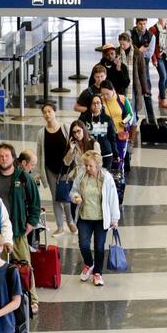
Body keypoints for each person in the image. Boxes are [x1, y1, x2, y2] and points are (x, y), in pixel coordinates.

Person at [0, 142, 41, 316]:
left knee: (25, 265)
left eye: (7, 156)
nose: (4, 159)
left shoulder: (24, 178)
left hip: (18, 232)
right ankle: (2, 299)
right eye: (1, 156)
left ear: (13, 158)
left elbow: (35, 203)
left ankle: (33, 298)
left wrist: (31, 224)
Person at [70, 151, 121, 287]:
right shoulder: (81, 176)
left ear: (98, 165)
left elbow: (113, 199)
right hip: (84, 217)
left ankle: (97, 273)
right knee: (84, 245)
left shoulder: (107, 178)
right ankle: (89, 264)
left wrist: (115, 218)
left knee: (99, 247)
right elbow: (73, 190)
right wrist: (75, 197)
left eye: (90, 166)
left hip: (100, 218)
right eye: (86, 165)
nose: (87, 168)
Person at [35, 103, 74, 236]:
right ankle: (60, 226)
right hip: (50, 169)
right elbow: (39, 153)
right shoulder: (41, 133)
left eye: (49, 111)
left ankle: (70, 222)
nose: (47, 114)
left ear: (54, 112)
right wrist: (39, 172)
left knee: (66, 196)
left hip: (65, 169)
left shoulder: (65, 128)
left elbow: (73, 147)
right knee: (56, 198)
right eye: (44, 112)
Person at [97, 81, 133, 172]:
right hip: (105, 136)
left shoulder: (122, 99)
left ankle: (119, 179)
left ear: (112, 90)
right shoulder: (99, 101)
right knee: (106, 160)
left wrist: (125, 122)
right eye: (103, 94)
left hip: (120, 134)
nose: (105, 96)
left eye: (107, 94)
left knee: (119, 159)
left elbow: (130, 115)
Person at [79, 94, 118, 170]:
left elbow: (112, 137)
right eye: (93, 103)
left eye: (98, 103)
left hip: (106, 153)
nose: (96, 105)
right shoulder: (83, 118)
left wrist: (116, 153)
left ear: (101, 104)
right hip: (89, 154)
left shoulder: (107, 119)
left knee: (104, 178)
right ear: (90, 105)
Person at [129, 21, 156, 125]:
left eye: (144, 23)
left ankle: (151, 119)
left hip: (144, 67)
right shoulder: (130, 33)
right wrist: (140, 51)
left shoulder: (151, 36)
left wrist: (135, 52)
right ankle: (133, 117)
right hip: (131, 67)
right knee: (132, 91)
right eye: (140, 24)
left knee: (147, 90)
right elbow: (127, 47)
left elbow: (149, 53)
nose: (142, 26)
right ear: (136, 23)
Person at [65, 118, 101, 194]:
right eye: (74, 132)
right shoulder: (73, 145)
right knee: (76, 202)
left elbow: (99, 164)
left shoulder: (93, 144)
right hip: (77, 179)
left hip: (90, 178)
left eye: (78, 131)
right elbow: (66, 162)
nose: (77, 135)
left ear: (83, 130)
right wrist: (71, 150)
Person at [150, 18, 167, 109]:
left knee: (166, 77)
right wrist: (154, 58)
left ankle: (161, 94)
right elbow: (152, 46)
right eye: (161, 17)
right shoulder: (153, 29)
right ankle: (163, 99)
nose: (163, 19)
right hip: (159, 56)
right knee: (163, 76)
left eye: (164, 17)